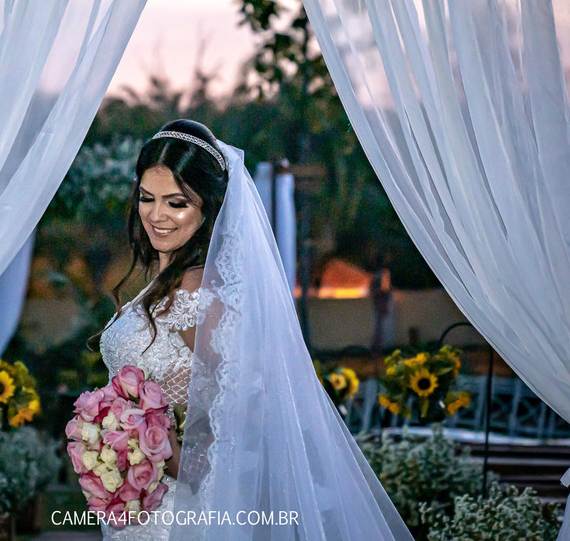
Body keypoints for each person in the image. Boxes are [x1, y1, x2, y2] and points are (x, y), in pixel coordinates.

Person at [93, 120, 412, 541]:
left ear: (209, 207)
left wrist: (160, 453)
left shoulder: (203, 304)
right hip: (137, 510)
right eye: (147, 199)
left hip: (179, 518)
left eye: (176, 203)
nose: (157, 216)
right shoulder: (158, 288)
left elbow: (252, 424)